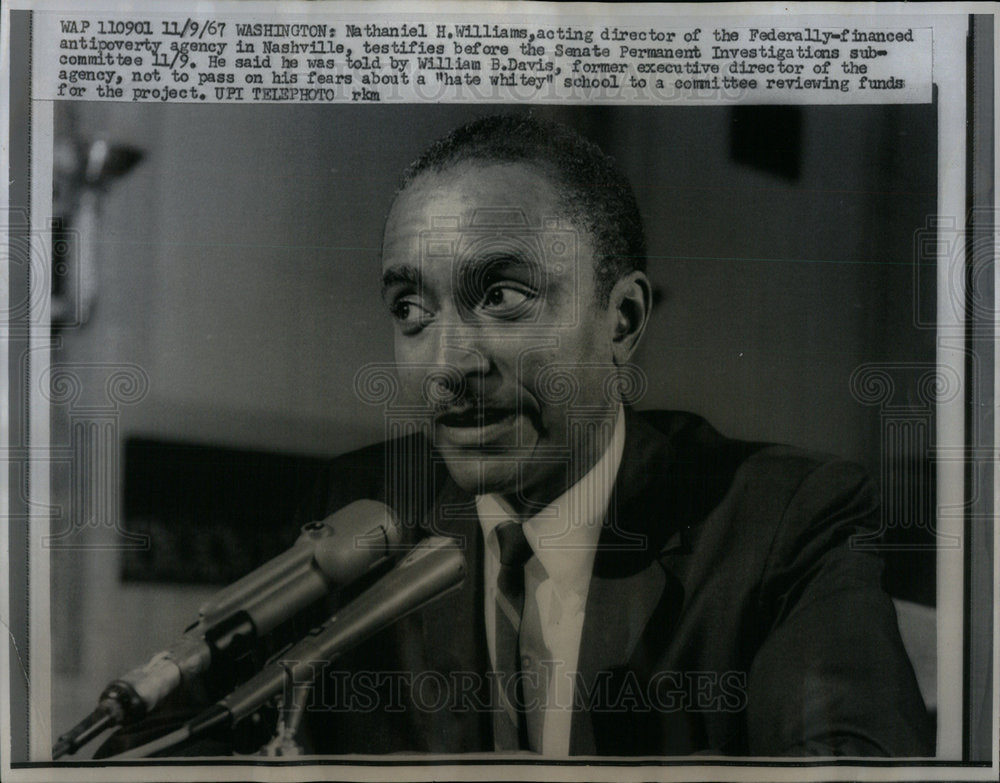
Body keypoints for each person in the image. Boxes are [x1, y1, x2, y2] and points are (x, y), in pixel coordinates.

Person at [98, 113, 933, 758]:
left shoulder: (787, 522)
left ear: (624, 318)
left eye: (502, 295)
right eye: (410, 310)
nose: (449, 363)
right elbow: (207, 737)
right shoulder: (365, 511)